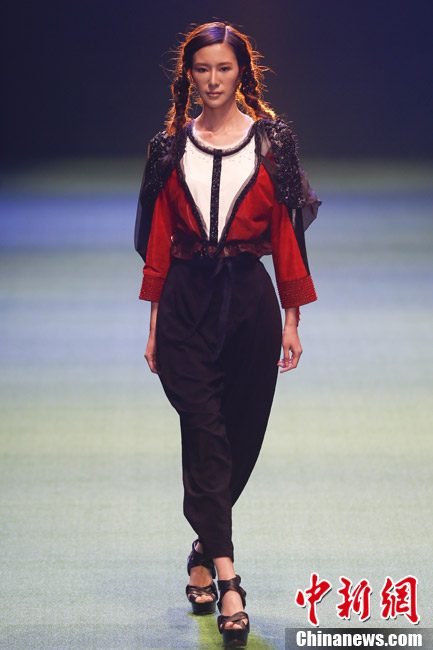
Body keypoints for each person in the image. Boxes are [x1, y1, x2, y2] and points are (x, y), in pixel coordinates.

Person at [134, 21, 321, 647]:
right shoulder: (168, 148)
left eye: (224, 68)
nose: (213, 80)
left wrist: (292, 317)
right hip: (184, 302)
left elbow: (287, 231)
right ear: (187, 76)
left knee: (239, 435)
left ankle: (200, 550)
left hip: (249, 303)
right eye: (202, 69)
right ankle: (228, 577)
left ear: (242, 73)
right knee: (205, 431)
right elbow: (158, 243)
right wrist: (153, 324)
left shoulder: (272, 141)